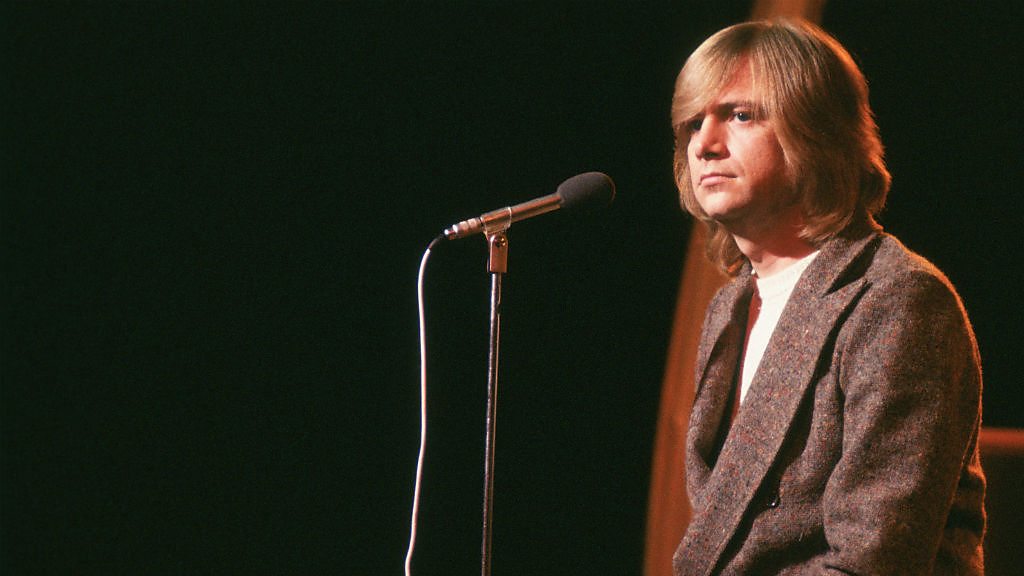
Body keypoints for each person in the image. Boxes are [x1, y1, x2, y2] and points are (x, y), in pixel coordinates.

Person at [669, 19, 985, 575]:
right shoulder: (730, 308)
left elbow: (872, 560)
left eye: (740, 115)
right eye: (694, 123)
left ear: (814, 132)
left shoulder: (897, 300)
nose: (705, 144)